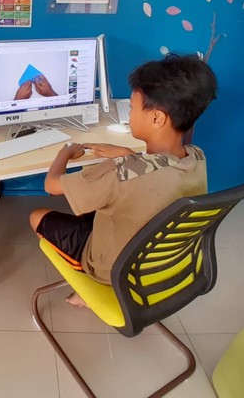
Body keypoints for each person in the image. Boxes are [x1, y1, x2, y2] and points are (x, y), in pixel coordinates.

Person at [28, 54, 217, 306]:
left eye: (132, 107)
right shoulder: (197, 157)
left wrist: (65, 152)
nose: (129, 114)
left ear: (157, 118)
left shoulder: (121, 172)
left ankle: (88, 288)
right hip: (163, 263)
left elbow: (51, 185)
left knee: (37, 216)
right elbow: (160, 170)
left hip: (113, 268)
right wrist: (129, 155)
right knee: (97, 206)